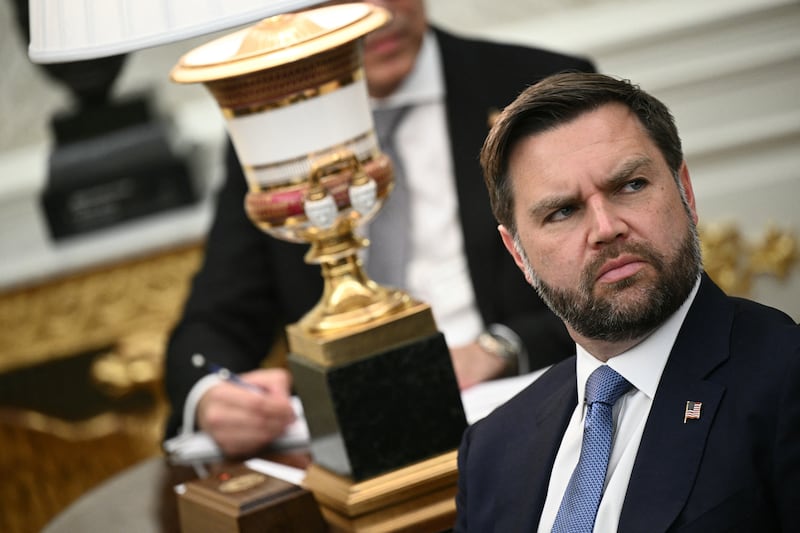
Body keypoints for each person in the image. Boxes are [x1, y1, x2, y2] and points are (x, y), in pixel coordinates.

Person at [163, 0, 596, 458]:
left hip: (531, 415)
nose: (380, 12)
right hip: (354, 444)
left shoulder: (538, 85)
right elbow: (217, 315)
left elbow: (615, 272)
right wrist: (211, 393)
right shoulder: (270, 129)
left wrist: (502, 347)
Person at [455, 72, 800, 532]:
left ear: (686, 192)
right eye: (563, 211)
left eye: (631, 186)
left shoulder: (785, 380)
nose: (605, 228)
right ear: (518, 253)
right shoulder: (491, 449)